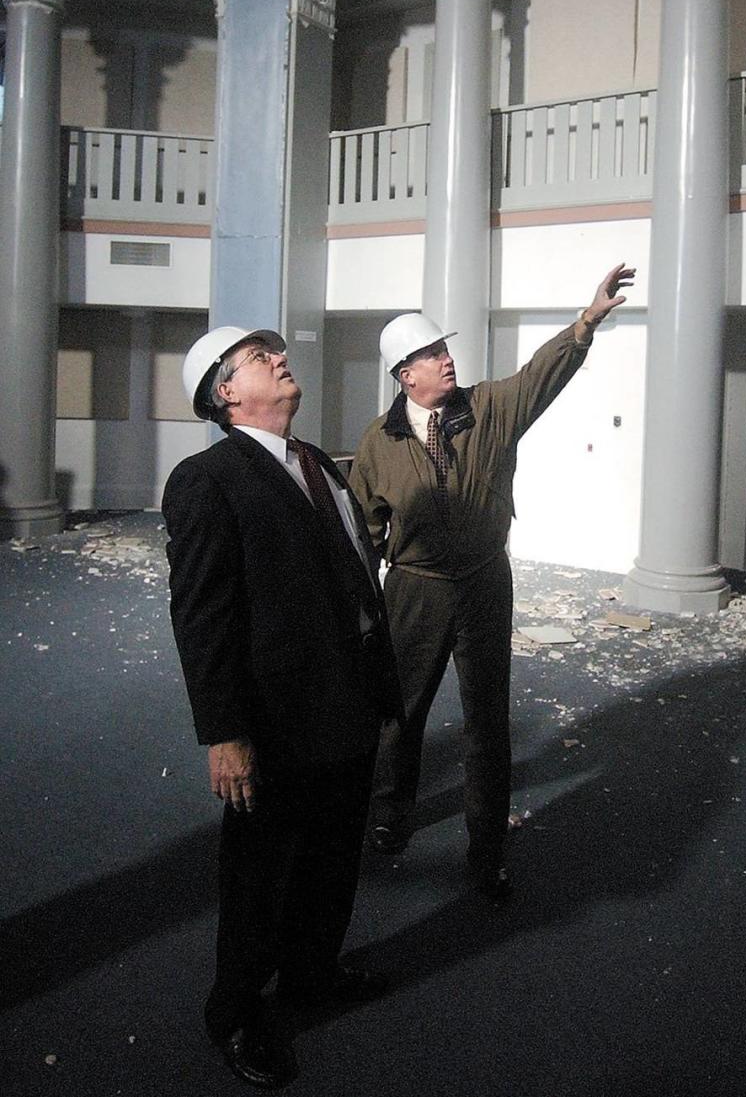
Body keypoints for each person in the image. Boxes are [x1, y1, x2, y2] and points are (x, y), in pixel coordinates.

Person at [163, 325, 402, 1089]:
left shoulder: (315, 462)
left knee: (333, 862)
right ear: (226, 392)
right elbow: (203, 618)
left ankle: (311, 976)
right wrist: (225, 733)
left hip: (348, 702)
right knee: (262, 878)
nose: (278, 358)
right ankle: (233, 1011)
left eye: (274, 350)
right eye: (259, 357)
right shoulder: (208, 479)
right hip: (276, 721)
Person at [350, 264, 634, 899]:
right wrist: (364, 616)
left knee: (487, 722)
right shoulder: (378, 441)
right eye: (431, 355)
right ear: (405, 375)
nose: (446, 361)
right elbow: (366, 535)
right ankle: (390, 818)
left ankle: (487, 851)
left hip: (483, 584)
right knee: (400, 717)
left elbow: (540, 375)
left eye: (445, 350)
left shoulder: (489, 408)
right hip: (415, 592)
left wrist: (586, 322)